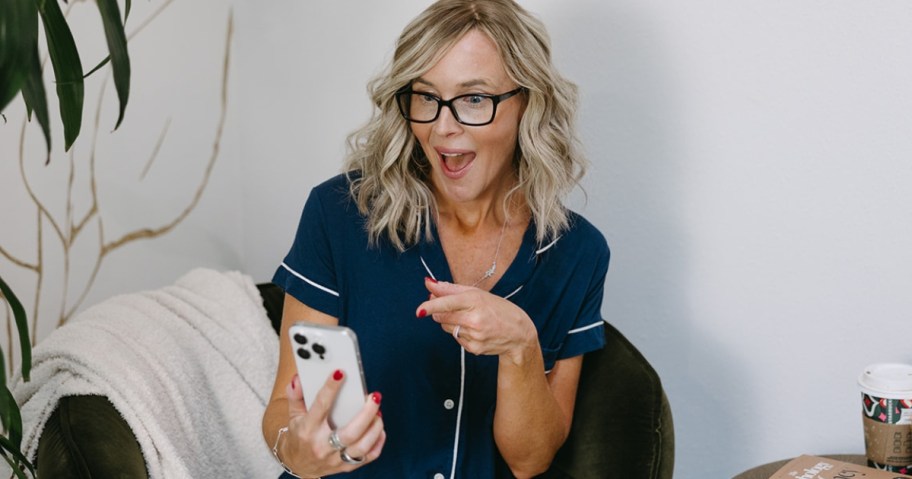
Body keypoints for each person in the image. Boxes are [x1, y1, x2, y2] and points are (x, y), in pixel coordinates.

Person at [263, 0, 610, 477]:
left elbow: (529, 461)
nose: (443, 128)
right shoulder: (339, 213)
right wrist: (297, 450)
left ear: (528, 104)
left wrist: (521, 348)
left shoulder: (577, 253)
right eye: (426, 97)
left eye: (474, 99)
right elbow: (282, 410)